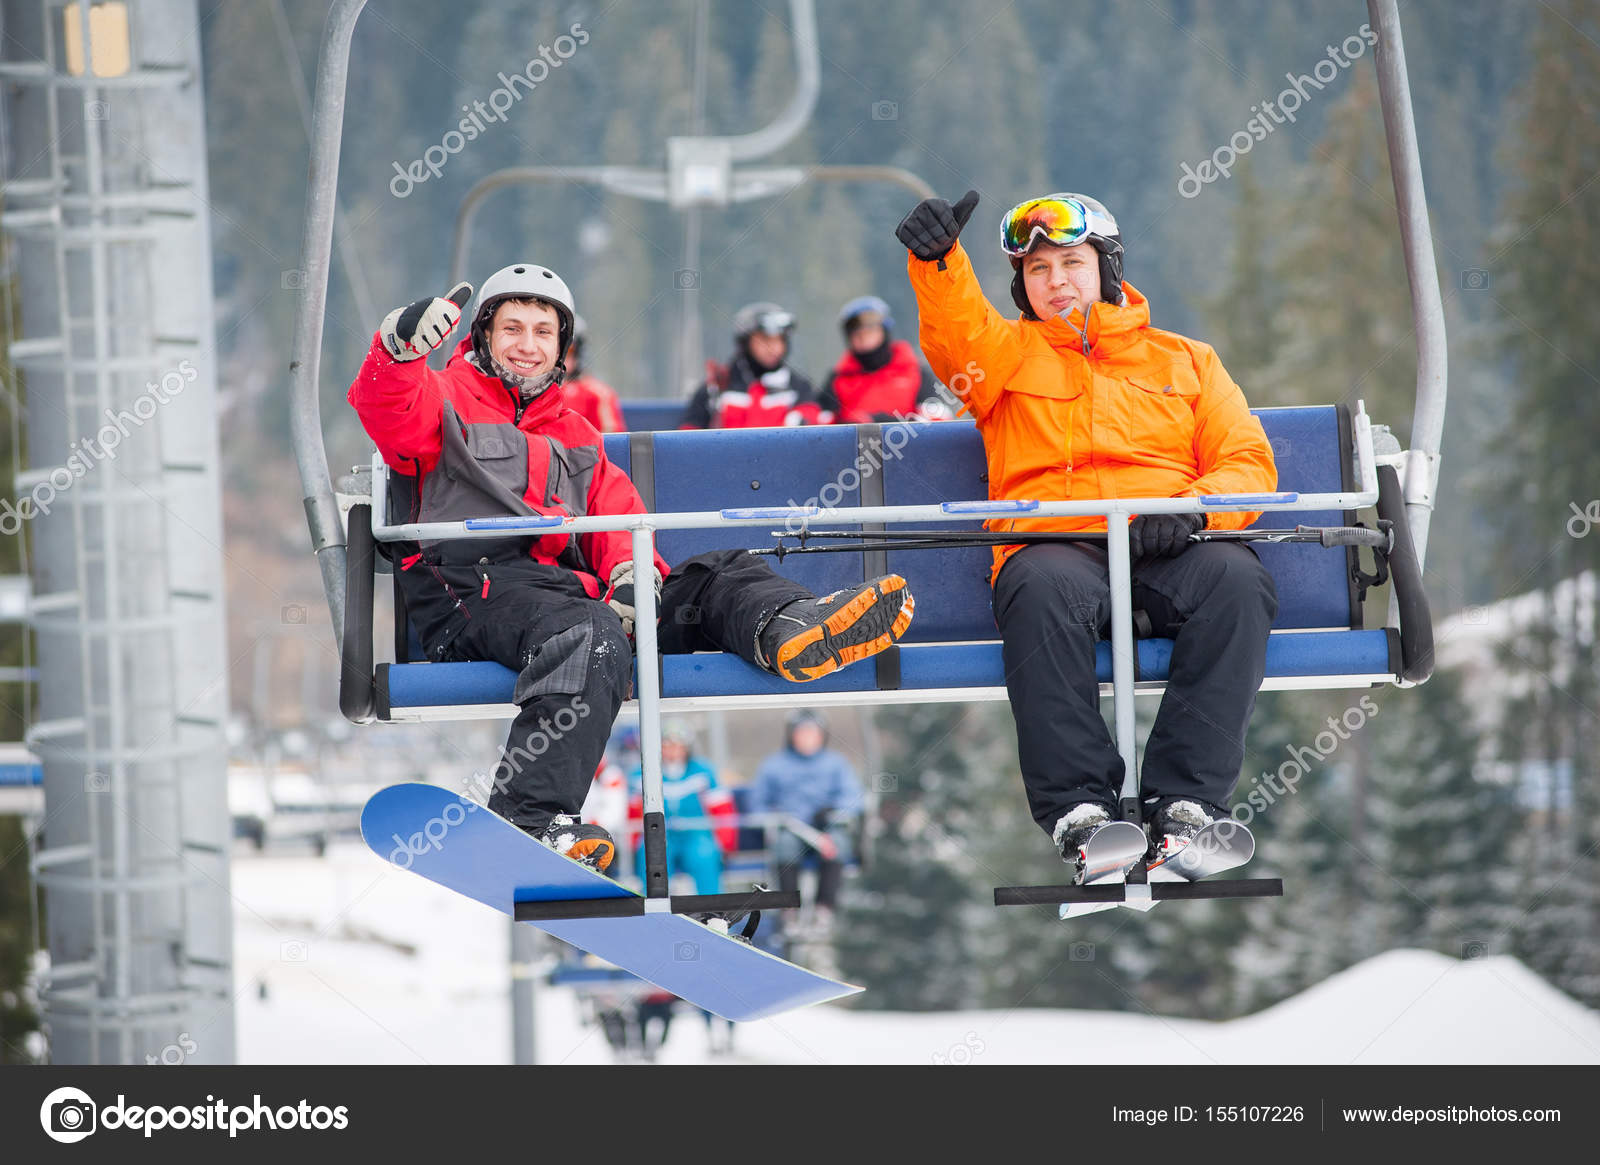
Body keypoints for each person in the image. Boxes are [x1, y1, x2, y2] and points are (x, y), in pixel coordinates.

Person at [347, 263, 916, 871]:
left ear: (562, 346)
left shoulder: (576, 433)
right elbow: (387, 409)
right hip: (472, 592)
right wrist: (397, 350)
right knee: (590, 636)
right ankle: (530, 816)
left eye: (543, 331)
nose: (527, 345)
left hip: (566, 599)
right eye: (512, 328)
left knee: (714, 571)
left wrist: (631, 578)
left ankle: (787, 628)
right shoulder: (441, 400)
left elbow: (618, 517)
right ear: (483, 335)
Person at [896, 190, 1278, 871]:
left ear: (1107, 266)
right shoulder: (1004, 359)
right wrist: (939, 262)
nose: (1057, 281)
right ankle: (1081, 813)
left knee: (1236, 579)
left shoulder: (1186, 361)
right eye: (1038, 270)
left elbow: (1246, 459)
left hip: (1164, 542)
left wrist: (1193, 510)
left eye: (1072, 262)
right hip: (1057, 544)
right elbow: (957, 343)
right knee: (1039, 587)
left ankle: (1187, 804)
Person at [749, 709, 862, 932]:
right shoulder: (774, 765)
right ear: (791, 735)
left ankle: (824, 909)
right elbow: (757, 803)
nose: (807, 739)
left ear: (822, 736)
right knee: (784, 845)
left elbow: (853, 798)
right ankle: (789, 909)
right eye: (802, 733)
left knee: (836, 844)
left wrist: (834, 813)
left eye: (813, 733)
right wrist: (775, 817)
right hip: (791, 827)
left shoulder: (836, 764)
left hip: (825, 827)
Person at [625, 718, 736, 895]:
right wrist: (632, 844)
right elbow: (632, 815)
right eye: (667, 745)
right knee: (651, 853)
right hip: (658, 835)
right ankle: (654, 905)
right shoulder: (641, 774)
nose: (673, 750)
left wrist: (726, 843)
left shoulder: (704, 772)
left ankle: (711, 907)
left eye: (678, 745)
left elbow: (722, 811)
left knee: (704, 854)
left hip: (696, 834)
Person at [680, 301, 827, 429]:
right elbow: (689, 436)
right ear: (745, 342)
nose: (774, 348)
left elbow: (811, 425)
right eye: (764, 340)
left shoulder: (798, 386)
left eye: (779, 340)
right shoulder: (717, 386)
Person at [818, 295, 953, 423]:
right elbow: (820, 423)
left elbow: (938, 419)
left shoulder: (915, 372)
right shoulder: (838, 378)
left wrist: (881, 423)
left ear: (884, 331)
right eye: (857, 333)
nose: (863, 337)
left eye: (870, 331)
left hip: (906, 439)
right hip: (853, 440)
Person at [558, 314, 626, 433]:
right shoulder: (531, 392)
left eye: (568, 351)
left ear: (578, 353)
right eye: (557, 351)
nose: (560, 359)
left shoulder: (597, 394)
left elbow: (612, 439)